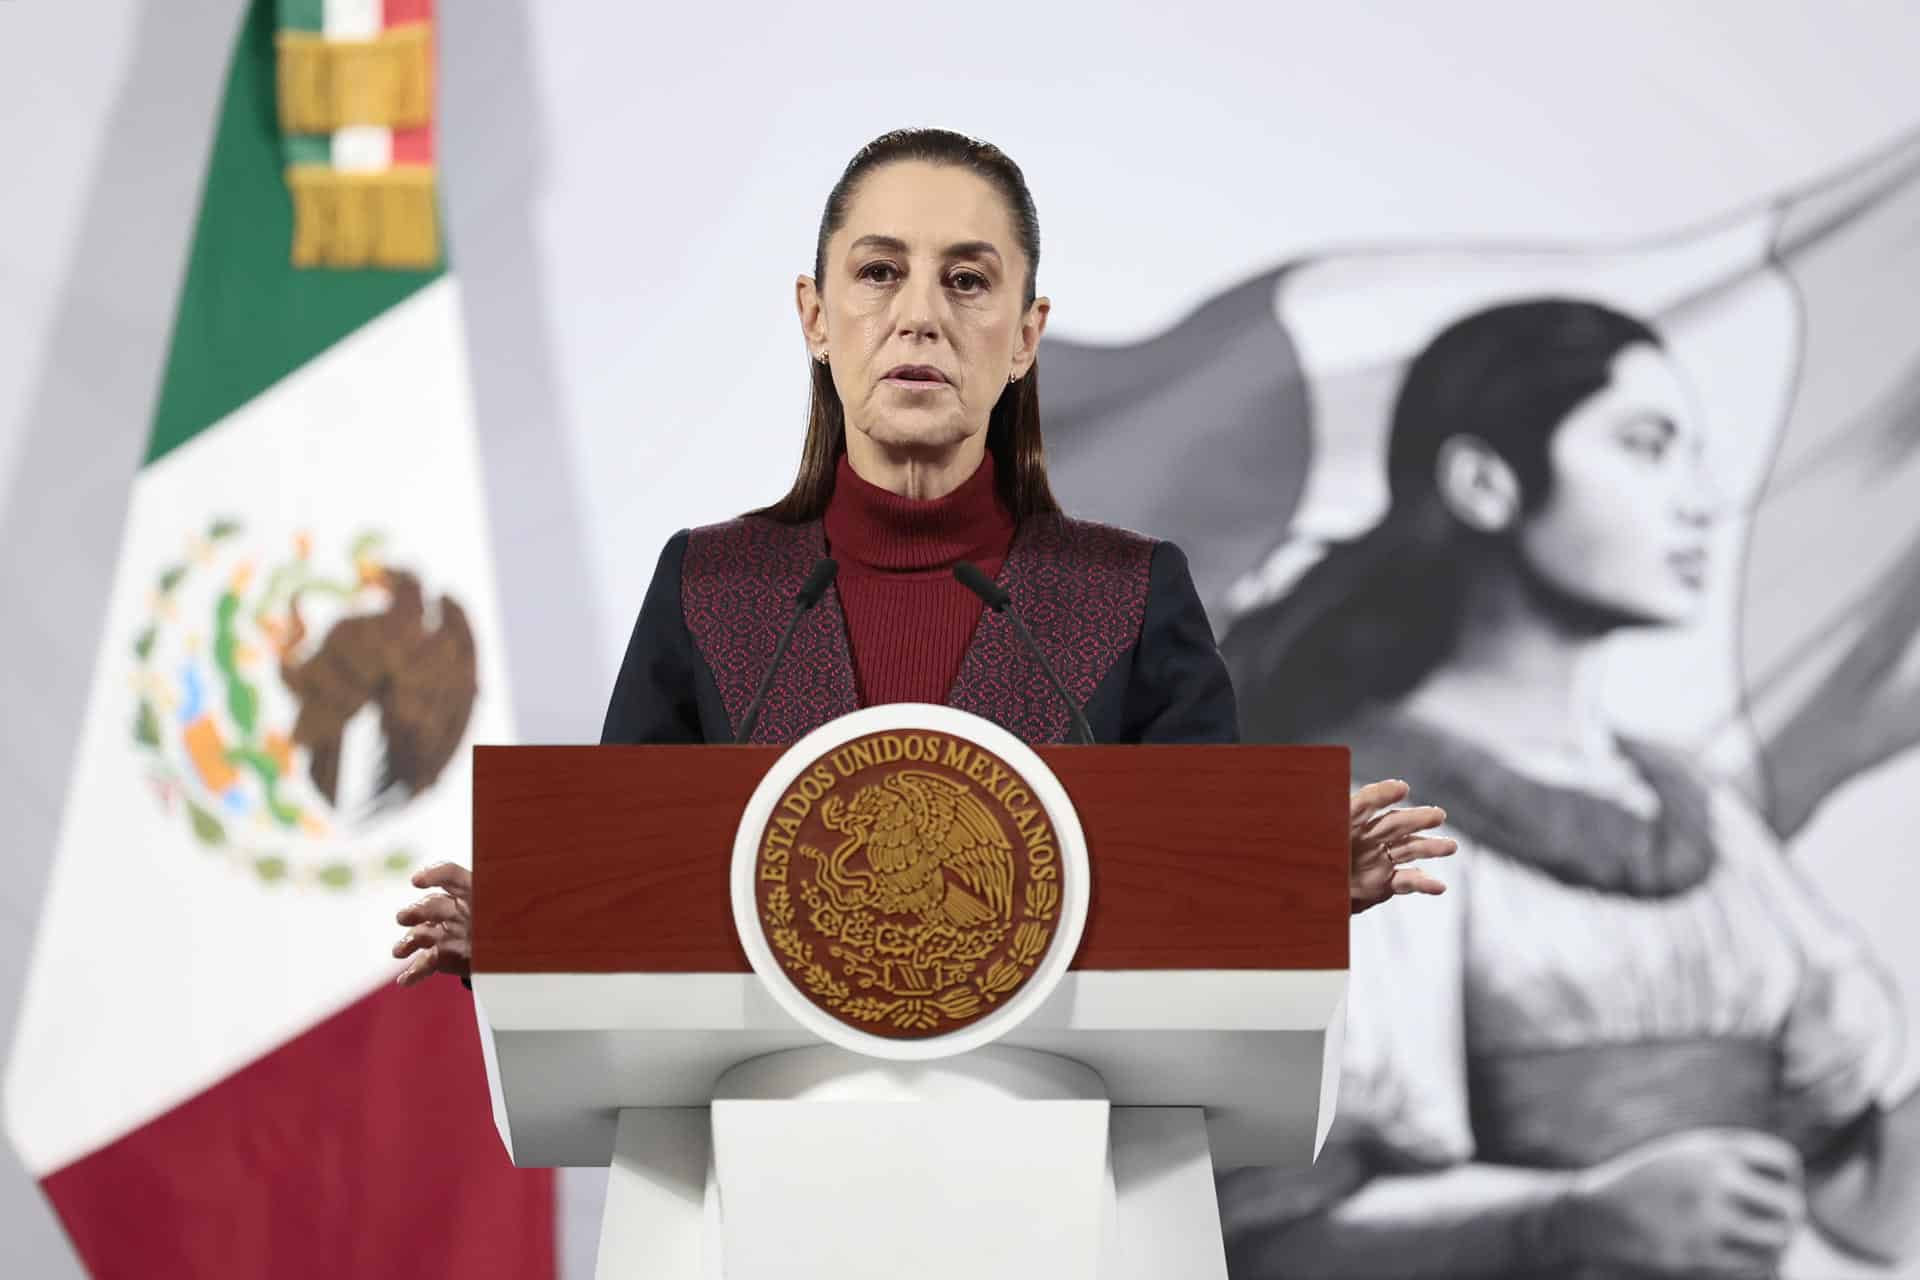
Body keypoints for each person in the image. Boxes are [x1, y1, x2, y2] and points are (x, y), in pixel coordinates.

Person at [389, 128, 1454, 986]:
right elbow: (634, 890)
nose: (920, 316)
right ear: (815, 317)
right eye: (879, 272)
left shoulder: (1128, 596)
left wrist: (1296, 884)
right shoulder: (712, 591)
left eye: (968, 281)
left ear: (1027, 336)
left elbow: (1199, 888)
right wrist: (534, 938)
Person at [1215, 299, 1920, 1278]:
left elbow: (1863, 1205)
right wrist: (1569, 1218)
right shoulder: (1355, 813)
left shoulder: (1701, 811)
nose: (1700, 499)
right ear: (1485, 482)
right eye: (1647, 445)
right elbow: (1270, 1230)